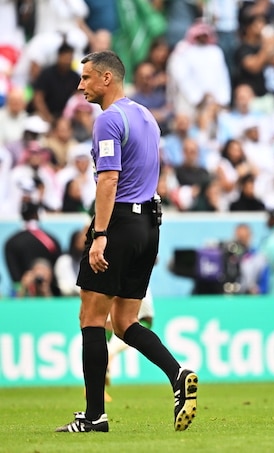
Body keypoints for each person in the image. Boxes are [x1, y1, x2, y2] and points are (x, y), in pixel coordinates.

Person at [56, 50, 198, 433]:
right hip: (150, 224)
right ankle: (177, 373)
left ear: (107, 78)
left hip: (118, 222)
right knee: (124, 321)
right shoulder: (146, 116)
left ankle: (94, 416)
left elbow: (109, 179)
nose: (80, 84)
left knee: (91, 317)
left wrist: (99, 234)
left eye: (86, 77)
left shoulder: (108, 120)